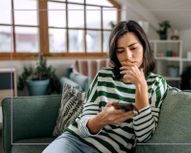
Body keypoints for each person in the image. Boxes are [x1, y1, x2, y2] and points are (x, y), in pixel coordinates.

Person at [43, 20, 168, 153]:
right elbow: (83, 126)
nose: (128, 56)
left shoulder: (156, 83)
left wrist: (141, 86)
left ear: (144, 47)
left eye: (133, 48)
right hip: (74, 140)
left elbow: (144, 136)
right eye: (120, 51)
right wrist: (101, 119)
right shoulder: (103, 76)